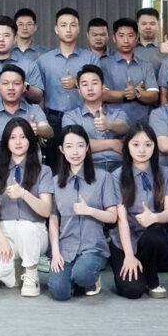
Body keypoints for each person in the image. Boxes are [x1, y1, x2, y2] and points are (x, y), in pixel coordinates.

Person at [0, 117, 53, 297]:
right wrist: (2, 241)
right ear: (6, 142)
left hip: (34, 229)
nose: (18, 142)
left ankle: (31, 276)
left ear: (30, 140)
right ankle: (17, 268)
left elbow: (46, 210)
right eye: (13, 138)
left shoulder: (43, 171)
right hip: (6, 230)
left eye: (23, 137)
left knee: (25, 228)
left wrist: (24, 194)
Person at [47, 125, 117, 301]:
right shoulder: (55, 182)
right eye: (69, 146)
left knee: (83, 274)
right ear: (62, 150)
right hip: (66, 248)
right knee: (59, 293)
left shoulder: (103, 178)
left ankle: (89, 279)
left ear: (87, 147)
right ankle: (75, 279)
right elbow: (53, 221)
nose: (75, 152)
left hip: (93, 247)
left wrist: (89, 211)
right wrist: (55, 253)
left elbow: (112, 216)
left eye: (80, 145)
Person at [109, 123, 168, 300]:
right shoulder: (117, 176)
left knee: (155, 234)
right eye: (136, 144)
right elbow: (121, 219)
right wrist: (129, 256)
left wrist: (154, 217)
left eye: (148, 144)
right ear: (127, 146)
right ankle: (139, 271)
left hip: (151, 237)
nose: (142, 150)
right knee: (132, 290)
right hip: (125, 240)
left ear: (154, 146)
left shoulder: (167, 174)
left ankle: (152, 277)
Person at [36, 8, 99, 168]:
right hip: (53, 119)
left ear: (79, 29)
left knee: (83, 164)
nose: (68, 29)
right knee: (53, 166)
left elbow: (99, 91)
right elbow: (40, 96)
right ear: (56, 29)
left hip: (82, 118)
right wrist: (41, 123)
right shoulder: (44, 60)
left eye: (73, 25)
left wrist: (77, 83)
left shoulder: (91, 58)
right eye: (63, 25)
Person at [0, 65, 52, 167]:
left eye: (16, 83)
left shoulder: (34, 110)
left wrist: (36, 129)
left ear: (23, 87)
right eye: (5, 83)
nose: (11, 88)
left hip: (29, 171)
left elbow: (49, 131)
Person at [63, 64, 129, 173]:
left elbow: (124, 127)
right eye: (85, 84)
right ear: (79, 90)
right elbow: (76, 144)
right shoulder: (71, 116)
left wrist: (110, 125)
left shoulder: (117, 112)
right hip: (88, 166)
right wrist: (113, 144)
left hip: (118, 166)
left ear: (103, 88)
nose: (90, 88)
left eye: (94, 83)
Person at [100, 18, 159, 125]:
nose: (126, 40)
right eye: (121, 36)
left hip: (141, 124)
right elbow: (103, 95)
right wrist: (128, 93)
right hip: (113, 124)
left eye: (130, 35)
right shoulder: (103, 64)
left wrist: (137, 93)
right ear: (114, 38)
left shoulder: (146, 66)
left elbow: (154, 95)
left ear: (136, 38)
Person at [133, 7, 168, 75]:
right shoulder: (128, 49)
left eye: (152, 24)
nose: (148, 27)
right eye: (144, 24)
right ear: (137, 25)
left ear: (158, 25)